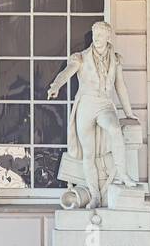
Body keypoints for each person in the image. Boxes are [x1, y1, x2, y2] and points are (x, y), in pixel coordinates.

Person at [48, 20, 139, 208]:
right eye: (94, 34)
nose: (96, 38)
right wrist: (56, 86)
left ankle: (123, 174)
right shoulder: (80, 57)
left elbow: (120, 86)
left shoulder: (115, 58)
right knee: (88, 154)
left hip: (105, 104)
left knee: (114, 129)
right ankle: (94, 195)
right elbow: (67, 72)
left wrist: (129, 112)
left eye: (100, 35)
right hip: (86, 105)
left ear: (108, 37)